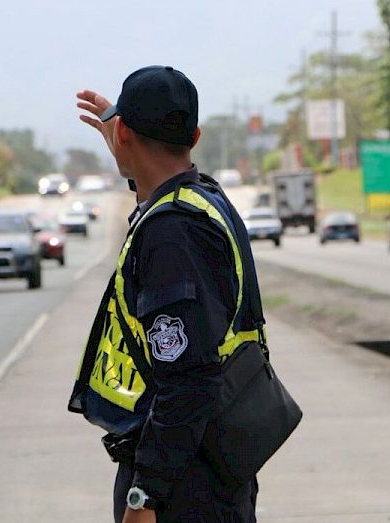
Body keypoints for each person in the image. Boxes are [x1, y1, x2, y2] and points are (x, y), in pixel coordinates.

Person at [68, 65, 264, 523]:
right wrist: (124, 148)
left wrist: (144, 496)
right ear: (193, 136)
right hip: (210, 469)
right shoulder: (202, 201)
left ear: (126, 134)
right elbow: (158, 186)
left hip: (182, 486)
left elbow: (189, 380)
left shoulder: (172, 233)